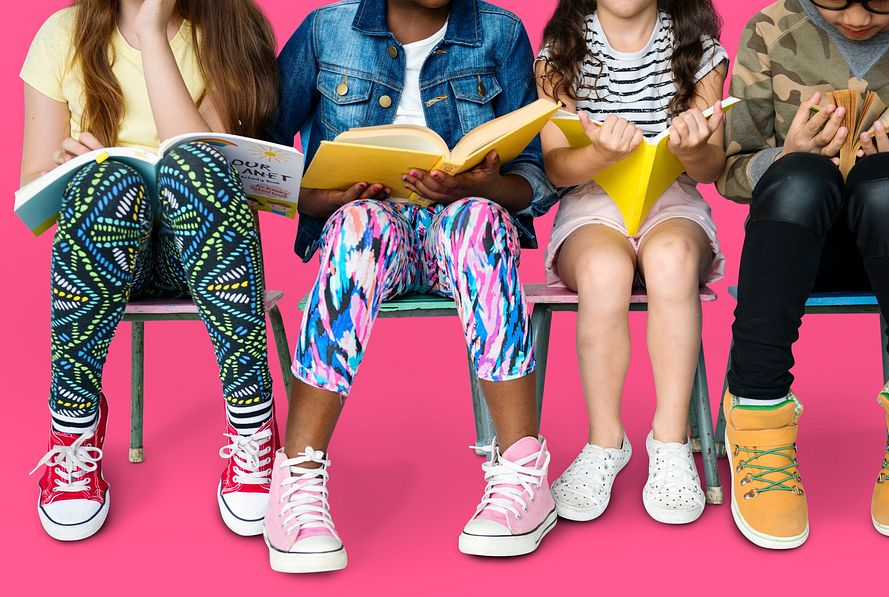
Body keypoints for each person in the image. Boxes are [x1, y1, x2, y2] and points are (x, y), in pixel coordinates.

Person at [265, 0, 559, 572]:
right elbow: (263, 156)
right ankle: (297, 481)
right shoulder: (327, 31)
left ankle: (524, 470)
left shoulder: (500, 34)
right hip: (372, 235)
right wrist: (316, 199)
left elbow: (536, 178)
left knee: (479, 220)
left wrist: (486, 188)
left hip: (461, 234)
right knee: (356, 225)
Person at [717, 0, 889, 549]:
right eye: (836, 1)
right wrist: (786, 154)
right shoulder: (772, 28)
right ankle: (757, 411)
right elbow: (731, 172)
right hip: (789, 248)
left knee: (886, 180)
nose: (858, 18)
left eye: (881, 2)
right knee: (800, 178)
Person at [22, 0, 281, 541]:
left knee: (195, 166)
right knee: (106, 179)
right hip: (111, 259)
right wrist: (78, 168)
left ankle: (254, 429)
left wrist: (150, 29)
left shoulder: (233, 27)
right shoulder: (60, 35)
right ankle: (73, 433)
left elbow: (200, 152)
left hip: (212, 260)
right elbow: (34, 190)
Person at [534, 0, 727, 525]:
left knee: (670, 261)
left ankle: (670, 441)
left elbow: (713, 167)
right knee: (604, 273)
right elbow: (556, 168)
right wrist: (600, 155)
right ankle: (605, 442)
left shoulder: (701, 51)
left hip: (674, 201)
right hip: (592, 204)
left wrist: (692, 148)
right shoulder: (560, 53)